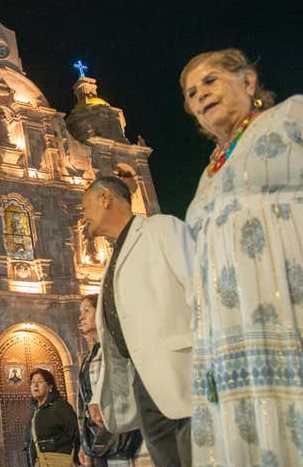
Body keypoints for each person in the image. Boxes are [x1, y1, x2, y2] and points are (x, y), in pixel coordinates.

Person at [181, 48, 303, 466]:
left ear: (248, 82)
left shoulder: (292, 116)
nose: (200, 95)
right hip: (240, 340)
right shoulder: (209, 173)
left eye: (210, 81)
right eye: (191, 92)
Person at [81, 176, 193, 467]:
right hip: (142, 383)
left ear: (106, 198)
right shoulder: (112, 260)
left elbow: (201, 289)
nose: (83, 217)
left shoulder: (162, 229)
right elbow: (115, 332)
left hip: (181, 374)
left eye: (86, 207)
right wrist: (100, 392)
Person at [77, 295, 142, 467]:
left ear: (101, 312)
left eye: (86, 310)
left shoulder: (119, 346)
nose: (81, 317)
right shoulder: (89, 357)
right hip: (97, 439)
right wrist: (84, 443)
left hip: (122, 434)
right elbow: (83, 404)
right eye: (80, 312)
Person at [23, 368, 81, 467]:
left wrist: (77, 459)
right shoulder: (34, 412)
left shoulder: (61, 406)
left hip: (58, 461)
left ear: (50, 387)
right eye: (33, 382)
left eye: (40, 381)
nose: (35, 385)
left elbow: (75, 433)